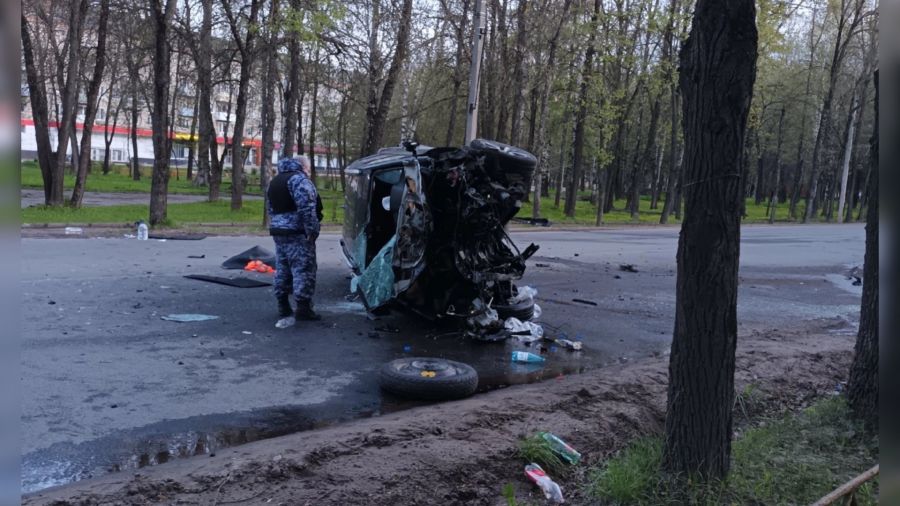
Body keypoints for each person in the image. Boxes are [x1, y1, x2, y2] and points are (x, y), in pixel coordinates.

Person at [268, 156, 321, 321]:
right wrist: (312, 230)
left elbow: (270, 207)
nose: (309, 172)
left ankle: (283, 304)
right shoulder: (299, 180)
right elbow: (307, 208)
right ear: (303, 166)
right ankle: (303, 308)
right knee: (303, 268)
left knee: (283, 267)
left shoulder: (276, 181)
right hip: (297, 231)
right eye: (309, 168)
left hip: (279, 231)